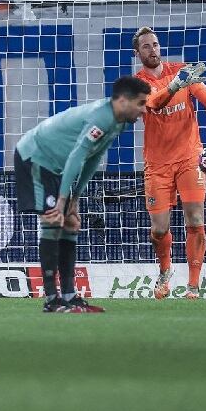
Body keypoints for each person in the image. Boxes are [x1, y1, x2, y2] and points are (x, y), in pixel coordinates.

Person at [15, 75, 152, 313]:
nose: (144, 110)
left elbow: (94, 158)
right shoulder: (100, 118)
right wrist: (62, 201)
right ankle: (51, 300)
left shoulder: (117, 122)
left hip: (56, 166)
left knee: (70, 223)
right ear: (122, 101)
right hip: (35, 156)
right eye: (140, 103)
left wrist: (75, 198)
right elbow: (77, 156)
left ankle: (69, 296)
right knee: (53, 219)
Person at [132, 27, 206, 300]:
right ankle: (165, 272)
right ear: (137, 53)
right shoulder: (136, 83)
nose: (153, 50)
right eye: (146, 46)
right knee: (159, 229)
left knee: (195, 219)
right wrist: (176, 84)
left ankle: (194, 286)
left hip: (189, 158)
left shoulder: (182, 70)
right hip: (157, 165)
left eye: (156, 44)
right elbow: (156, 103)